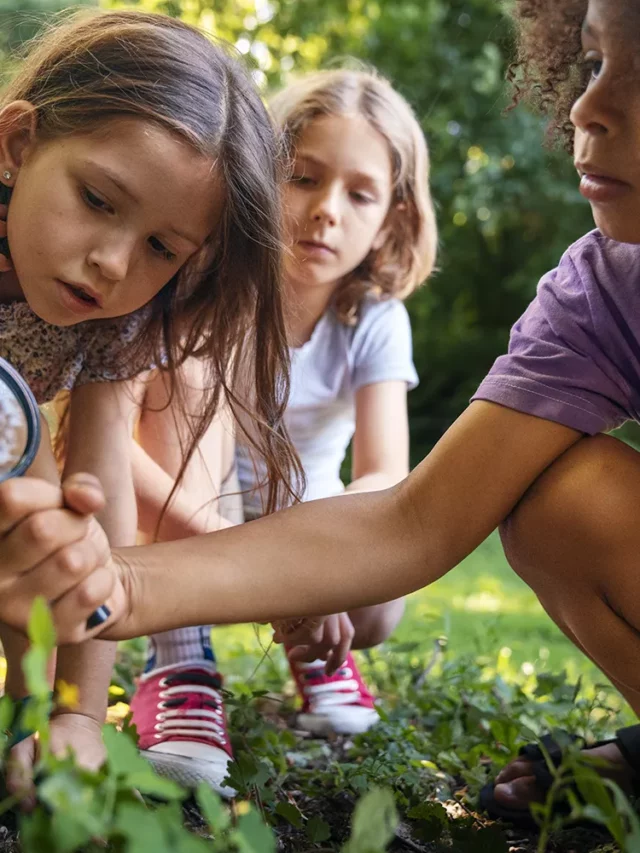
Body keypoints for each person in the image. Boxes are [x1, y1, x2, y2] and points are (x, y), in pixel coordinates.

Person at [2, 0, 640, 824]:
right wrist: (87, 636)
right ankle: (178, 661)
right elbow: (412, 519)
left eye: (162, 245)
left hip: (275, 515)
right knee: (563, 503)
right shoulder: (602, 292)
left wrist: (78, 706)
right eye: (593, 64)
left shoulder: (357, 320)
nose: (589, 106)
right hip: (208, 520)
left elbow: (386, 486)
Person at [0, 8, 301, 804]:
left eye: (161, 248)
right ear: (19, 143)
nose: (112, 261)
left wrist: (78, 714)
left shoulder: (115, 319)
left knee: (39, 496)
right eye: (98, 200)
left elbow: (94, 505)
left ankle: (28, 718)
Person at [126, 68, 436, 795]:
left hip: (301, 522)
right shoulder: (205, 284)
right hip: (186, 516)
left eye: (359, 194)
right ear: (262, 177)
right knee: (187, 381)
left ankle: (317, 650)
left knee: (380, 603)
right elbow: (117, 451)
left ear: (392, 218)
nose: (326, 211)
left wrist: (314, 576)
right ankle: (179, 659)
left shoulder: (375, 320)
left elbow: (385, 474)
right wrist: (261, 576)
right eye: (304, 178)